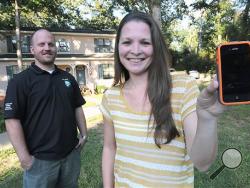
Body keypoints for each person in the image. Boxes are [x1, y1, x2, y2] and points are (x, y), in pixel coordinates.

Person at [100, 12, 224, 188]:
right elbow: (109, 148)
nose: (135, 50)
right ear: (118, 47)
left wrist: (208, 119)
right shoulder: (110, 97)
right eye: (127, 42)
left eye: (145, 42)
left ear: (156, 47)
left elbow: (202, 163)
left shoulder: (183, 87)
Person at [4, 29, 88, 188]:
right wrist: (24, 158)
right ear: (32, 50)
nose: (47, 47)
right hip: (40, 161)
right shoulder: (20, 82)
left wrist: (84, 135)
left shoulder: (68, 78)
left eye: (51, 44)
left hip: (70, 155)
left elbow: (77, 107)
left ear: (56, 48)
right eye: (41, 44)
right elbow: (12, 120)